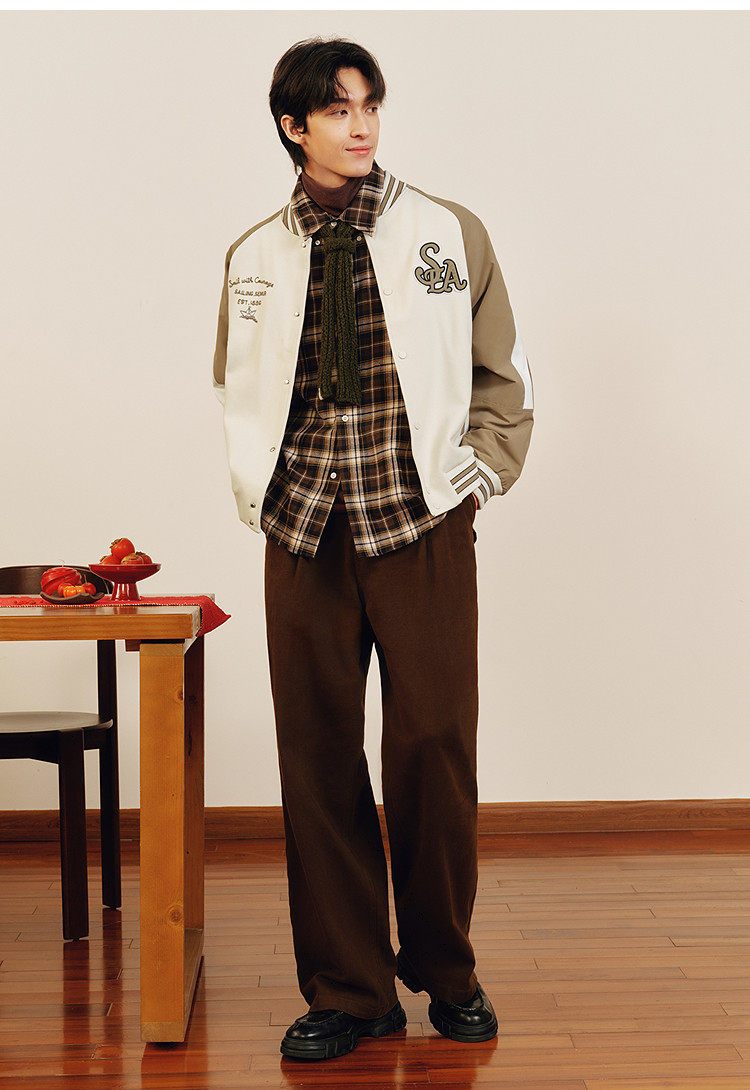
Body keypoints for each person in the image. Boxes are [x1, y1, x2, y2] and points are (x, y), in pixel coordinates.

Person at [213, 36, 534, 1062]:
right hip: (304, 527)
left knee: (433, 745)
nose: (360, 126)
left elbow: (501, 371)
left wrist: (481, 473)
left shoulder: (448, 231)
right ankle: (351, 990)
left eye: (370, 106)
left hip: (419, 519)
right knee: (315, 755)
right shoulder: (254, 255)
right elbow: (236, 380)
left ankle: (447, 969)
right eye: (337, 110)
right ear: (293, 127)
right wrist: (257, 486)